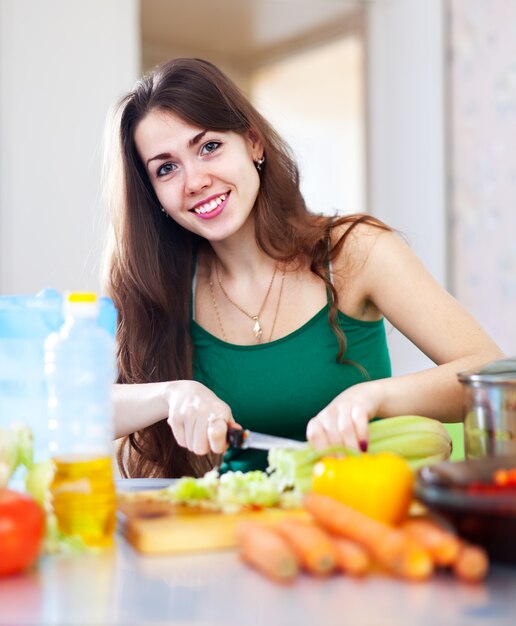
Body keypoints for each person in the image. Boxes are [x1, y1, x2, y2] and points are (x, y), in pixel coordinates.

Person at [102, 57, 503, 479]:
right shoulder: (155, 287)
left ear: (253, 143)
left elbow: (491, 376)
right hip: (243, 527)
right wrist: (171, 395)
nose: (194, 180)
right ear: (153, 195)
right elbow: (72, 414)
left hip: (365, 513)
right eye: (166, 168)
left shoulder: (355, 251)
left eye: (209, 147)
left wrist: (373, 397)